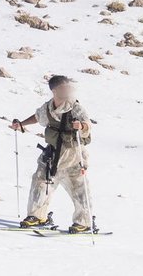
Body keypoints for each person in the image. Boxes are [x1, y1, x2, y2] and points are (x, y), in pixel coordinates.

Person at [10, 75, 94, 233]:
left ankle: (84, 222)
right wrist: (21, 124)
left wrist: (81, 126)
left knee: (78, 188)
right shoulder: (48, 107)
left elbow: (87, 125)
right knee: (40, 182)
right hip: (52, 153)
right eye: (64, 87)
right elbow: (37, 117)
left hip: (72, 155)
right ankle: (37, 216)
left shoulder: (75, 108)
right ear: (55, 90)